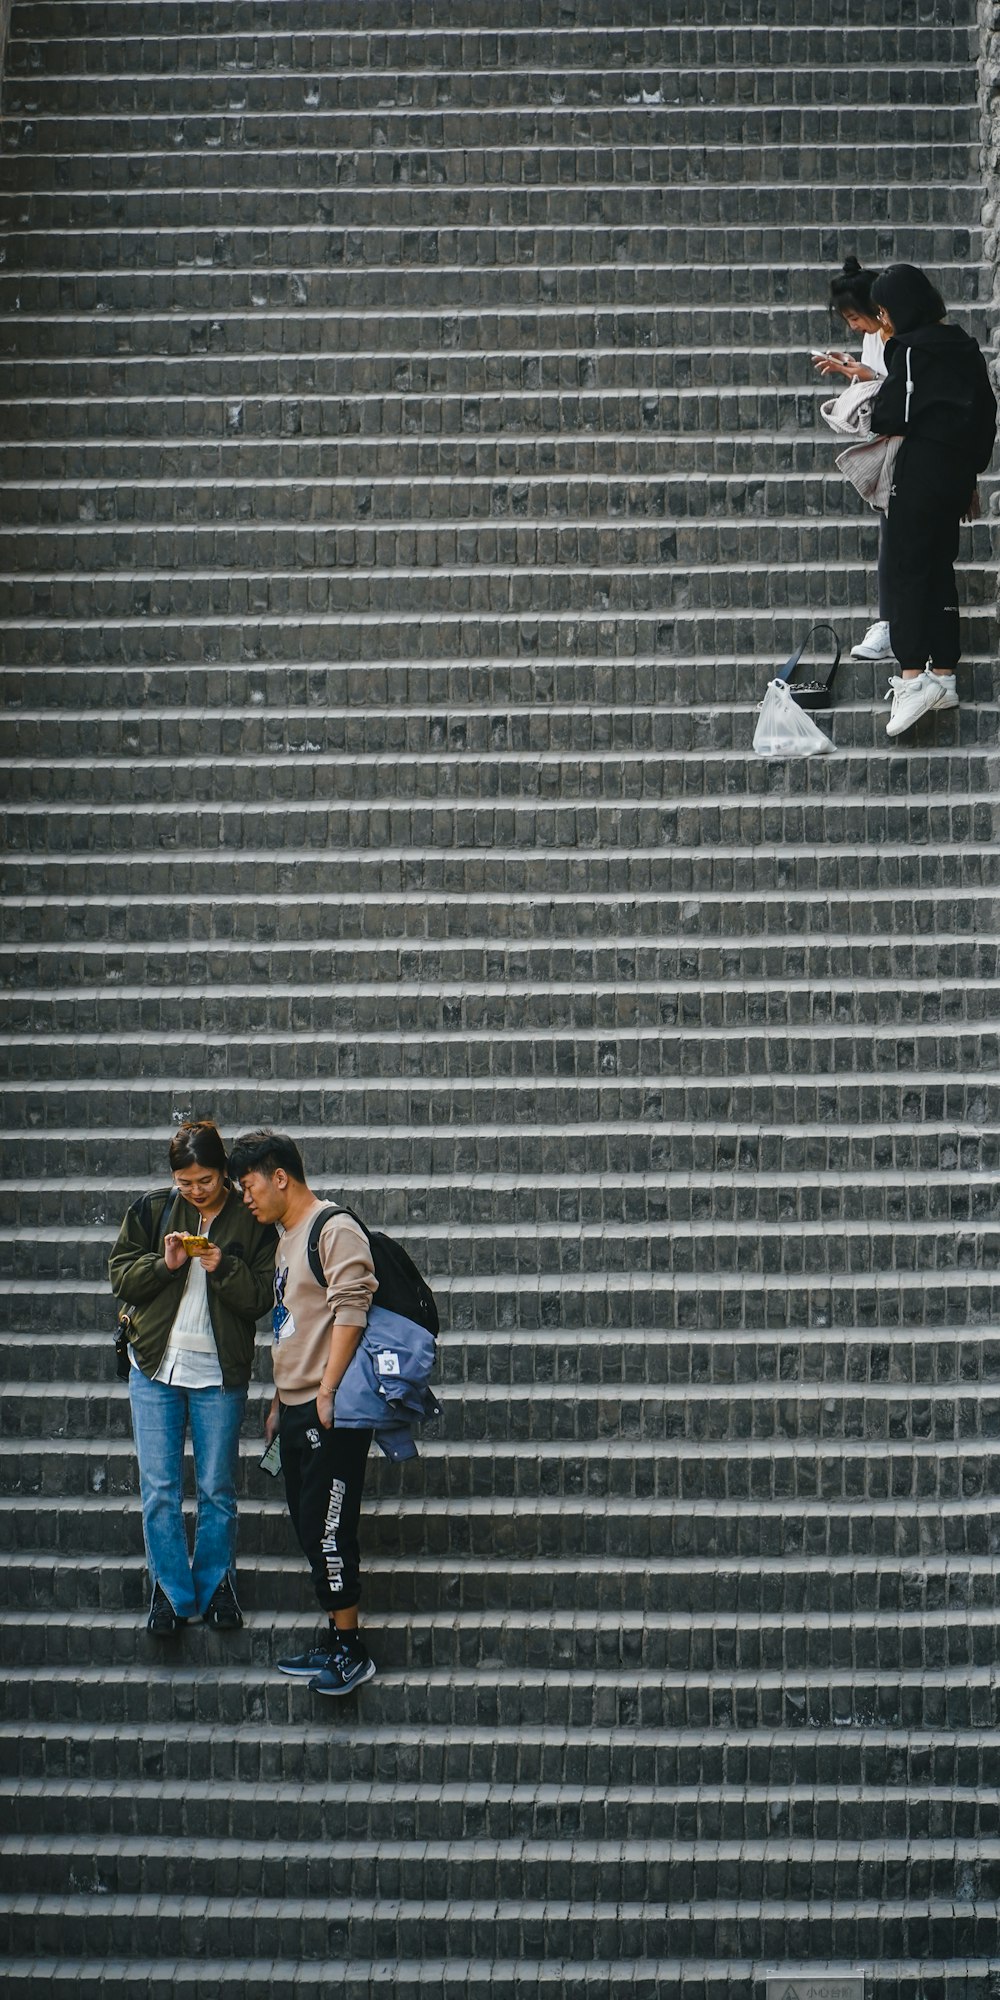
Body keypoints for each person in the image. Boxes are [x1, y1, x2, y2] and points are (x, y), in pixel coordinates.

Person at [228, 1129, 380, 1698]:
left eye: (248, 1186)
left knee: (329, 1527)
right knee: (307, 1524)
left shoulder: (331, 1227)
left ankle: (352, 1649)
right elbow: (294, 1325)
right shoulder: (286, 1237)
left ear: (280, 1177)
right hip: (293, 1410)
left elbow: (351, 1308)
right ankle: (335, 1635)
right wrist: (278, 1400)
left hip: (329, 1412)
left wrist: (326, 1390)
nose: (246, 1198)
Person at [109, 1120, 277, 1635]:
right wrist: (166, 1265)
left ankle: (216, 1585)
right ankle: (170, 1592)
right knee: (160, 1488)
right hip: (156, 1366)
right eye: (186, 1182)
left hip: (219, 1372)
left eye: (204, 1180)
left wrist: (222, 1266)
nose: (196, 1190)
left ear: (223, 1173)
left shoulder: (251, 1221)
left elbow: (261, 1299)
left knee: (216, 1487)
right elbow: (121, 1276)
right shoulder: (154, 1208)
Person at [868, 263, 997, 737]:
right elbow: (987, 412)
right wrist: (970, 473)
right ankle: (944, 674)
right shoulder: (964, 346)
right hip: (957, 474)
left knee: (906, 568)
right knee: (939, 566)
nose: (883, 323)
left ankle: (910, 678)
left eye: (883, 312)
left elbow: (888, 416)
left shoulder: (906, 349)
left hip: (919, 472)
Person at [813, 255, 892, 666]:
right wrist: (856, 372)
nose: (854, 327)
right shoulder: (873, 338)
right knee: (890, 537)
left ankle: (895, 624)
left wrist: (865, 376)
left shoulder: (900, 333)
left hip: (906, 448)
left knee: (899, 541)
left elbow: (900, 389)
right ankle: (891, 623)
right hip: (886, 444)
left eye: (855, 317)